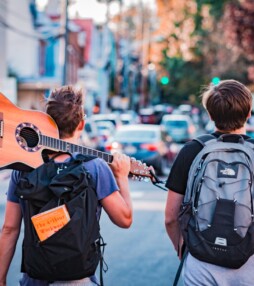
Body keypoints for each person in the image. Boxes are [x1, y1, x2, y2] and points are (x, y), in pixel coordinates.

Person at [0, 85, 133, 286]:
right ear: (81, 125)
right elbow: (124, 219)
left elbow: (10, 229)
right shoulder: (94, 167)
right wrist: (121, 177)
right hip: (79, 279)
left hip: (35, 278)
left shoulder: (24, 167)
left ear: (45, 120)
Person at [165, 79, 254, 285]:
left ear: (210, 115)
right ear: (248, 113)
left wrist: (184, 250)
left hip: (201, 265)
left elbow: (171, 217)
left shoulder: (192, 150)